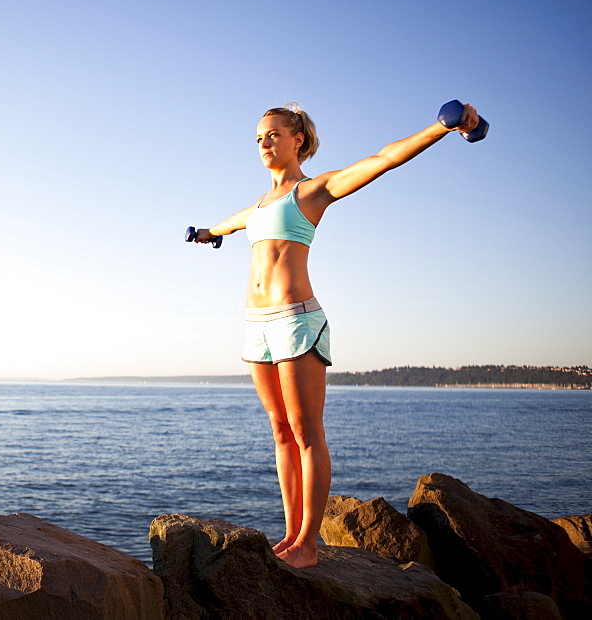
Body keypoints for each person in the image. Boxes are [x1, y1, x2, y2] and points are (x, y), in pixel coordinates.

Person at [192, 101, 480, 568]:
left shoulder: (313, 190)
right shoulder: (260, 205)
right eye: (259, 138)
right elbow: (230, 222)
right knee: (281, 432)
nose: (264, 143)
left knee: (307, 434)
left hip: (296, 320)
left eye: (273, 135)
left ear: (297, 139)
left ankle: (308, 543)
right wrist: (208, 233)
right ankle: (290, 535)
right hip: (256, 326)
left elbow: (383, 159)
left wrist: (443, 127)